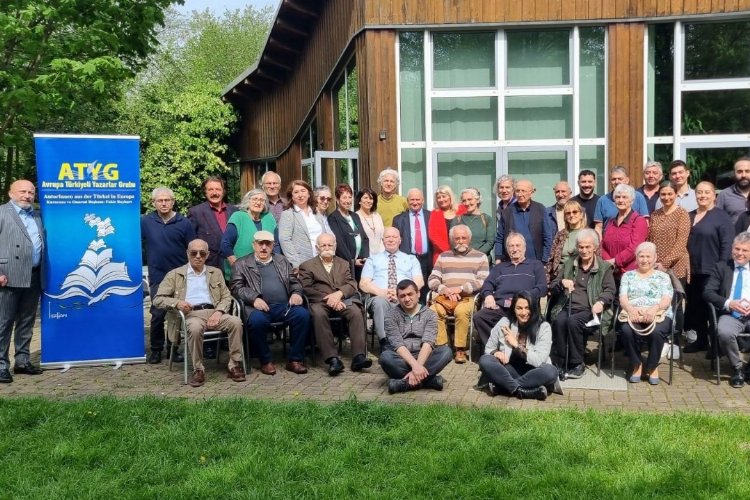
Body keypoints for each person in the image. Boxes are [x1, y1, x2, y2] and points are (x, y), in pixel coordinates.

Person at [153, 239, 245, 387]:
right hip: (190, 314)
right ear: (187, 253)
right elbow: (157, 299)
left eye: (202, 253)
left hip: (214, 312)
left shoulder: (216, 272)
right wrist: (177, 303)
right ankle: (198, 369)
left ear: (207, 255)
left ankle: (234, 365)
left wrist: (219, 312)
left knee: (236, 322)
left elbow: (226, 296)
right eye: (193, 253)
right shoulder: (175, 274)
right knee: (195, 328)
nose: (198, 256)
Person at [231, 230, 310, 376]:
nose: (264, 247)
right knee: (256, 321)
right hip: (256, 308)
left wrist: (296, 293)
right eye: (260, 243)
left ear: (273, 245)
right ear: (254, 245)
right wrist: (254, 298)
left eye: (267, 244)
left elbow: (294, 282)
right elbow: (236, 288)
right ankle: (266, 360)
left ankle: (295, 359)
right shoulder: (241, 263)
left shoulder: (282, 261)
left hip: (283, 307)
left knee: (302, 315)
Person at [299, 233, 371, 376]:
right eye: (323, 245)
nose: (327, 248)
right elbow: (306, 289)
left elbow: (352, 283)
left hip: (342, 300)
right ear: (317, 248)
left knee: (356, 311)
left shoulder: (343, 263)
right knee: (318, 314)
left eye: (330, 245)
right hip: (320, 301)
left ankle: (358, 356)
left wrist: (339, 294)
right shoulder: (306, 266)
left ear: (335, 246)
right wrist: (330, 299)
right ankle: (332, 359)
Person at [548, 229, 616, 379]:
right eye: (581, 247)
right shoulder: (569, 264)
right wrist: (562, 282)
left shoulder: (604, 267)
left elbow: (610, 290)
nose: (584, 250)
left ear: (595, 247)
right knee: (559, 321)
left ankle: (577, 363)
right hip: (567, 306)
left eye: (587, 247)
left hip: (590, 310)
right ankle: (561, 362)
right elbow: (553, 284)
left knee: (573, 322)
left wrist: (601, 302)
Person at [141, 186, 195, 364]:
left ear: (173, 202)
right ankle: (156, 350)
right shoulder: (145, 222)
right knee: (157, 313)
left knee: (176, 314)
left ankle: (174, 349)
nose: (164, 203)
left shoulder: (184, 223)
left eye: (167, 200)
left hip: (179, 276)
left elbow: (192, 249)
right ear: (153, 203)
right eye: (160, 200)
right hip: (157, 276)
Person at [478, 291, 560, 400]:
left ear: (534, 308)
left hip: (533, 371)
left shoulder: (544, 327)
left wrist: (516, 344)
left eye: (527, 308)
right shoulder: (504, 322)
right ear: (513, 309)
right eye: (519, 308)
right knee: (485, 360)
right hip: (509, 369)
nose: (523, 312)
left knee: (551, 371)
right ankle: (523, 391)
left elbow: (538, 360)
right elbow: (489, 349)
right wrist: (495, 352)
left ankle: (503, 387)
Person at [0, 180, 44, 383]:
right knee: (4, 323)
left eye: (31, 192)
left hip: (34, 275)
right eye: (22, 192)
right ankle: (1, 365)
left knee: (26, 321)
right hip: (7, 276)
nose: (27, 196)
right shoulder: (2, 213)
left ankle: (22, 361)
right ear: (11, 194)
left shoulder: (37, 215)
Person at [684, 181, 734, 353]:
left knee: (712, 307)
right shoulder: (689, 215)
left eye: (706, 192)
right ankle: (701, 340)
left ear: (714, 195)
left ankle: (716, 345)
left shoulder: (722, 217)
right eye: (699, 192)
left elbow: (727, 245)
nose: (702, 195)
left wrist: (722, 269)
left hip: (712, 270)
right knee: (695, 306)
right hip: (691, 270)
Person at [473, 232, 547, 348]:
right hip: (501, 307)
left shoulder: (535, 265)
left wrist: (524, 297)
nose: (515, 249)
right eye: (511, 246)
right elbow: (487, 284)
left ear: (524, 247)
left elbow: (542, 288)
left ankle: (515, 348)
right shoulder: (499, 267)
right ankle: (496, 348)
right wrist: (488, 295)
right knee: (479, 317)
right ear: (507, 249)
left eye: (518, 245)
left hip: (524, 307)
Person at [428, 224, 489, 363]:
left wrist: (461, 289)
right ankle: (442, 348)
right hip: (445, 297)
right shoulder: (443, 256)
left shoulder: (480, 257)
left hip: (468, 298)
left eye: (464, 238)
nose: (461, 241)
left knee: (461, 311)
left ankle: (460, 349)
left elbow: (483, 281)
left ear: (470, 239)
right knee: (433, 311)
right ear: (452, 240)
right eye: (457, 238)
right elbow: (432, 279)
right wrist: (444, 289)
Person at [379, 279, 453, 394]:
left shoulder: (430, 315)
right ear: (398, 298)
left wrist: (417, 366)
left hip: (424, 356)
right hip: (401, 358)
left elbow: (428, 343)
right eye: (402, 296)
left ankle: (404, 383)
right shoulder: (390, 315)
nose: (407, 299)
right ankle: (429, 381)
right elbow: (397, 344)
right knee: (385, 357)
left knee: (446, 352)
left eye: (410, 294)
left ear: (418, 294)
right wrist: (416, 367)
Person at [618, 242, 674, 385]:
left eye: (648, 256)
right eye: (641, 256)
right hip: (633, 312)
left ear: (655, 258)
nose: (645, 260)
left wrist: (654, 309)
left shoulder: (663, 277)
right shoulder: (628, 276)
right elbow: (623, 298)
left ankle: (652, 366)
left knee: (657, 332)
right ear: (636, 258)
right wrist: (631, 310)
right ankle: (637, 364)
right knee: (626, 330)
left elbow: (667, 299)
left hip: (658, 313)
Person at [359, 227, 423, 349]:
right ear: (382, 240)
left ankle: (407, 342)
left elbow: (419, 282)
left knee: (410, 300)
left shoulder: (411, 259)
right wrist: (381, 292)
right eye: (387, 237)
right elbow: (363, 283)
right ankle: (386, 342)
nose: (391, 240)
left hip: (404, 297)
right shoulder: (373, 259)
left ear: (400, 240)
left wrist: (402, 294)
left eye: (394, 237)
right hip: (380, 298)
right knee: (380, 302)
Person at [703, 232, 750, 388]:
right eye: (737, 249)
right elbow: (708, 292)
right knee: (724, 332)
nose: (740, 253)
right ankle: (738, 368)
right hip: (730, 315)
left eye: (745, 250)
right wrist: (728, 303)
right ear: (732, 249)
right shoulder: (722, 267)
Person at [221, 189, 277, 280]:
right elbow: (225, 244)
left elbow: (276, 244)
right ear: (248, 201)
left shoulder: (269, 218)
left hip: (267, 270)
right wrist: (238, 267)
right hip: (241, 272)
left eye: (262, 200)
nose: (258, 202)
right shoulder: (238, 217)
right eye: (255, 199)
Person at [494, 179, 554, 264]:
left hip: (536, 261)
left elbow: (547, 236)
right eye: (517, 191)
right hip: (513, 262)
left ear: (531, 192)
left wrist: (545, 260)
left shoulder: (540, 209)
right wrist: (498, 258)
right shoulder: (507, 212)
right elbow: (500, 237)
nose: (520, 194)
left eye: (523, 191)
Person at [278, 180, 330, 270]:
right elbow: (285, 240)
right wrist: (296, 263)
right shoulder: (288, 214)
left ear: (309, 194)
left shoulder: (317, 213)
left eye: (303, 191)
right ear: (292, 196)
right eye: (296, 192)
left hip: (322, 262)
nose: (300, 195)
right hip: (303, 264)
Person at [187, 176, 237, 270]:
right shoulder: (195, 212)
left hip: (233, 264)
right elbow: (190, 242)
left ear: (223, 191)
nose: (214, 193)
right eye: (210, 189)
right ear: (205, 192)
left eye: (218, 189)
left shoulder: (235, 211)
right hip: (209, 266)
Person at [600, 184, 649, 280]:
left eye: (624, 197)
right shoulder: (611, 222)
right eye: (618, 197)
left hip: (630, 274)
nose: (621, 200)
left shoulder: (639, 221)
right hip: (610, 272)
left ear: (631, 201)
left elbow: (635, 247)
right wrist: (608, 262)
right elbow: (602, 245)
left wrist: (615, 261)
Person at [648, 181, 691, 285]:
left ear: (676, 194)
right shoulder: (655, 214)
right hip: (656, 266)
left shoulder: (682, 214)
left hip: (677, 266)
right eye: (663, 194)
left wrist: (664, 264)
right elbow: (650, 239)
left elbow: (681, 243)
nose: (666, 197)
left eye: (670, 194)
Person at [392, 189, 432, 300]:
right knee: (408, 292)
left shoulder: (430, 216)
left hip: (427, 260)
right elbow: (395, 241)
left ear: (423, 200)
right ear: (407, 201)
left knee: (425, 293)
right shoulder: (398, 219)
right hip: (407, 260)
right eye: (412, 200)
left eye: (418, 199)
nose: (415, 202)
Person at [327, 184, 369, 281]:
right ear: (337, 200)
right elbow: (340, 243)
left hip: (360, 263)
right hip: (345, 265)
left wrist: (364, 257)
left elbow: (364, 238)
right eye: (344, 197)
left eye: (350, 197)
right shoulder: (333, 218)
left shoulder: (355, 216)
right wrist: (352, 261)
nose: (348, 201)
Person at [593, 166, 650, 237]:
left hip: (633, 240)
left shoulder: (638, 197)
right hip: (609, 240)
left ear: (627, 180)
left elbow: (645, 223)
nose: (616, 182)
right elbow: (598, 227)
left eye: (620, 179)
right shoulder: (602, 200)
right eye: (613, 179)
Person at [545, 199, 588, 283]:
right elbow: (551, 260)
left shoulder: (589, 234)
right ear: (565, 216)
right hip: (560, 276)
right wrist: (547, 281)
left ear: (581, 214)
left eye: (575, 212)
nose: (571, 215)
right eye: (568, 213)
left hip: (581, 276)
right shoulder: (560, 235)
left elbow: (596, 259)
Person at [428, 185, 465, 265]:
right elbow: (433, 236)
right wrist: (450, 252)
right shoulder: (435, 213)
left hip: (463, 254)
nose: (441, 199)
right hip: (442, 256)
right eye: (439, 197)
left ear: (450, 196)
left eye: (444, 196)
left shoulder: (462, 209)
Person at [454, 187, 493, 260]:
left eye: (470, 199)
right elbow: (452, 241)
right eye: (464, 200)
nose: (467, 203)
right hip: (462, 261)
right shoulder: (457, 219)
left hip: (482, 261)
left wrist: (476, 255)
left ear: (477, 200)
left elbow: (490, 242)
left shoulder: (487, 219)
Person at [717, 157, 750, 224]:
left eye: (747, 171)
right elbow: (717, 220)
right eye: (739, 172)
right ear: (734, 174)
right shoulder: (724, 195)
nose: (743, 175)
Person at [355, 187, 385, 255]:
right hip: (364, 256)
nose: (368, 201)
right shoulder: (355, 217)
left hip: (380, 255)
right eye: (365, 198)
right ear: (359, 201)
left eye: (371, 198)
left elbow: (382, 236)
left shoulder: (377, 216)